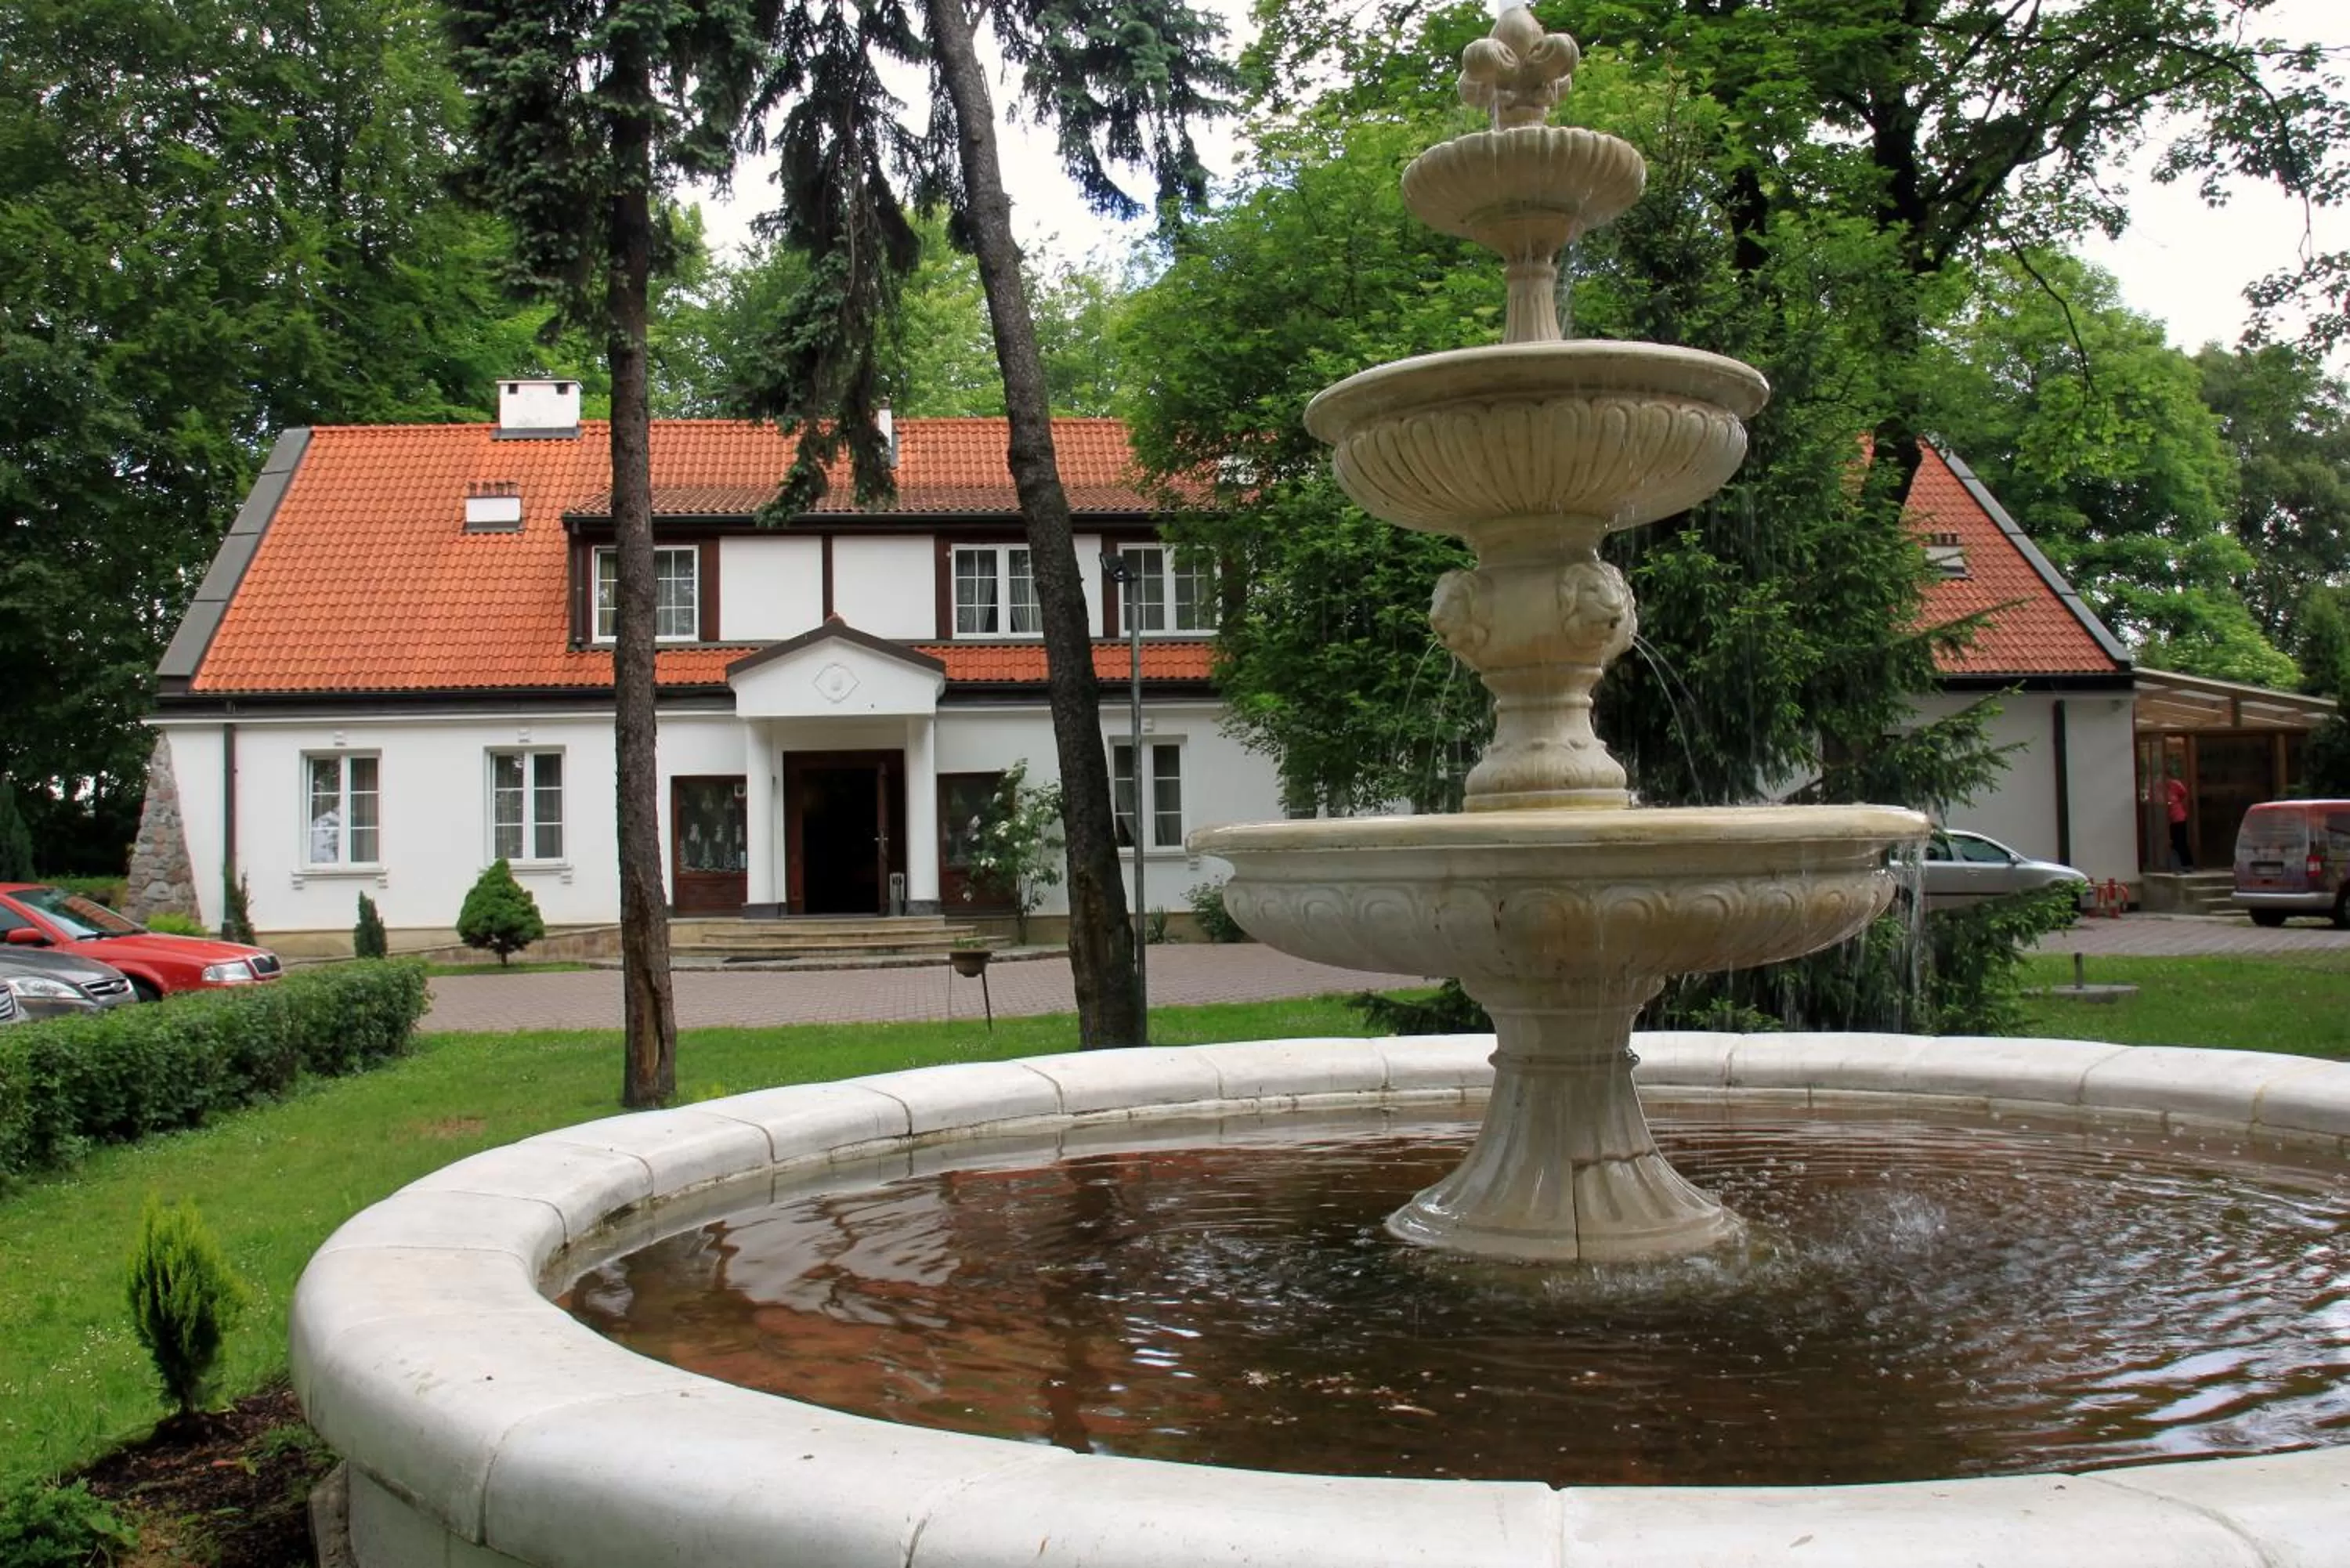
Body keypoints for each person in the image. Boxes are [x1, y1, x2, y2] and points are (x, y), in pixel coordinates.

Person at [2165, 771, 2192, 871]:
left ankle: (2187, 864)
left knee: (2181, 841)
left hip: (2179, 818)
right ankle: (2176, 865)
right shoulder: (2159, 787)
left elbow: (2184, 793)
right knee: (2174, 843)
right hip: (2169, 819)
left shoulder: (2175, 784)